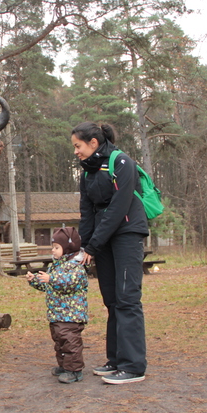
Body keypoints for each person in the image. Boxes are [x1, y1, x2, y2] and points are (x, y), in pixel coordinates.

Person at [71, 122, 149, 385]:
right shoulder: (87, 173)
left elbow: (118, 208)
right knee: (112, 301)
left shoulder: (122, 163)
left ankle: (133, 366)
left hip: (127, 233)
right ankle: (115, 360)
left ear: (93, 143)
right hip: (103, 240)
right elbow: (87, 212)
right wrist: (84, 246)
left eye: (77, 146)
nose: (75, 151)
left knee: (127, 298)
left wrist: (94, 245)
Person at [26, 227, 89, 384]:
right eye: (52, 247)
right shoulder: (57, 266)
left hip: (71, 315)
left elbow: (69, 283)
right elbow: (50, 286)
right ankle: (64, 366)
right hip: (57, 314)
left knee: (70, 342)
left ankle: (74, 370)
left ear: (68, 247)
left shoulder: (76, 266)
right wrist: (35, 280)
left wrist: (51, 279)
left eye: (56, 247)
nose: (52, 251)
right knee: (59, 342)